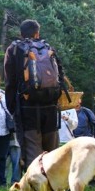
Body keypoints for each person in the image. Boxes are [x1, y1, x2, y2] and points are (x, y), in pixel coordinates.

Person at [4, 19, 64, 170]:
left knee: (33, 151)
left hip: (27, 107)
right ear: (38, 32)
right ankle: (53, 189)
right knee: (52, 150)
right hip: (50, 106)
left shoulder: (15, 49)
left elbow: (10, 81)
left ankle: (36, 189)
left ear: (21, 33)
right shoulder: (48, 47)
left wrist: (13, 108)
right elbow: (60, 76)